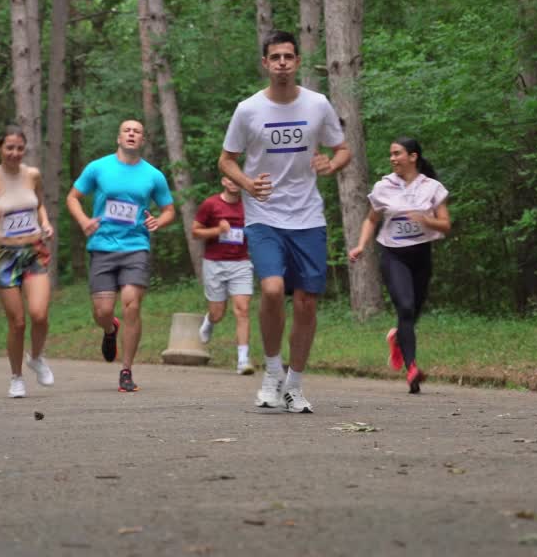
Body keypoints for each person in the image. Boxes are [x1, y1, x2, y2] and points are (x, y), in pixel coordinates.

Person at [218, 30, 351, 414]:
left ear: (297, 62)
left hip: (307, 215)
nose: (281, 63)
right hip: (264, 215)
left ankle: (294, 384)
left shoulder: (317, 104)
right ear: (265, 63)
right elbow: (226, 159)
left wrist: (332, 164)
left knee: (307, 302)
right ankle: (272, 371)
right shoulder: (248, 110)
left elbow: (341, 149)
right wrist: (245, 183)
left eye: (288, 57)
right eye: (274, 57)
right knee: (273, 289)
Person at [66, 119, 175, 393]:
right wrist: (83, 221)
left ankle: (126, 370)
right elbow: (73, 197)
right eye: (126, 130)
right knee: (103, 311)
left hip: (136, 246)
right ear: (118, 137)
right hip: (102, 246)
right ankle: (109, 329)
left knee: (132, 305)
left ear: (142, 140)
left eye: (137, 131)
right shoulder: (98, 168)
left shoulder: (153, 175)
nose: (131, 134)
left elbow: (169, 209)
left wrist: (158, 222)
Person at [348, 138, 451, 393]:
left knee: (413, 311)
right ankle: (412, 368)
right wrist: (361, 245)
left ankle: (397, 338)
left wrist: (427, 221)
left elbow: (446, 225)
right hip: (394, 255)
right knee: (405, 308)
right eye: (391, 155)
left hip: (422, 255)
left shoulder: (432, 187)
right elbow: (371, 220)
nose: (393, 159)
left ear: (413, 156)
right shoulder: (384, 186)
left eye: (397, 154)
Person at [0, 125, 56, 399]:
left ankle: (37, 357)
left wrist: (45, 223)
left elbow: (39, 204)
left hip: (34, 250)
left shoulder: (32, 175)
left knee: (39, 314)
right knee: (18, 322)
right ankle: (16, 377)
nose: (14, 153)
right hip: (5, 255)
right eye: (9, 147)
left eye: (20, 148)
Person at [191, 176, 255, 375]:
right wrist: (218, 230)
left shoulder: (250, 206)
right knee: (218, 312)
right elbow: (195, 232)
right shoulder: (211, 204)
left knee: (242, 310)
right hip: (215, 263)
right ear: (224, 181)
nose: (234, 182)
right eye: (230, 179)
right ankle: (210, 321)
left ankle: (243, 360)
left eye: (238, 179)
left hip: (241, 263)